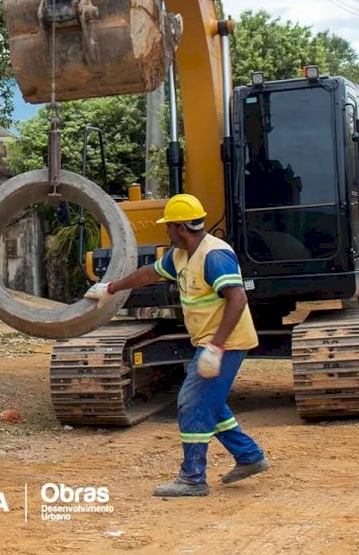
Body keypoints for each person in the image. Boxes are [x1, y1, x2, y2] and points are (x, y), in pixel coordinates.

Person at [100, 193, 269, 497]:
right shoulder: (180, 256)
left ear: (180, 227)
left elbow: (238, 298)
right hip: (210, 341)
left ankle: (192, 478)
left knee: (191, 402)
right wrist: (111, 287)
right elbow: (149, 273)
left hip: (226, 342)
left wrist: (216, 348)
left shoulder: (214, 255)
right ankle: (249, 456)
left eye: (169, 226)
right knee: (210, 403)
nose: (166, 231)